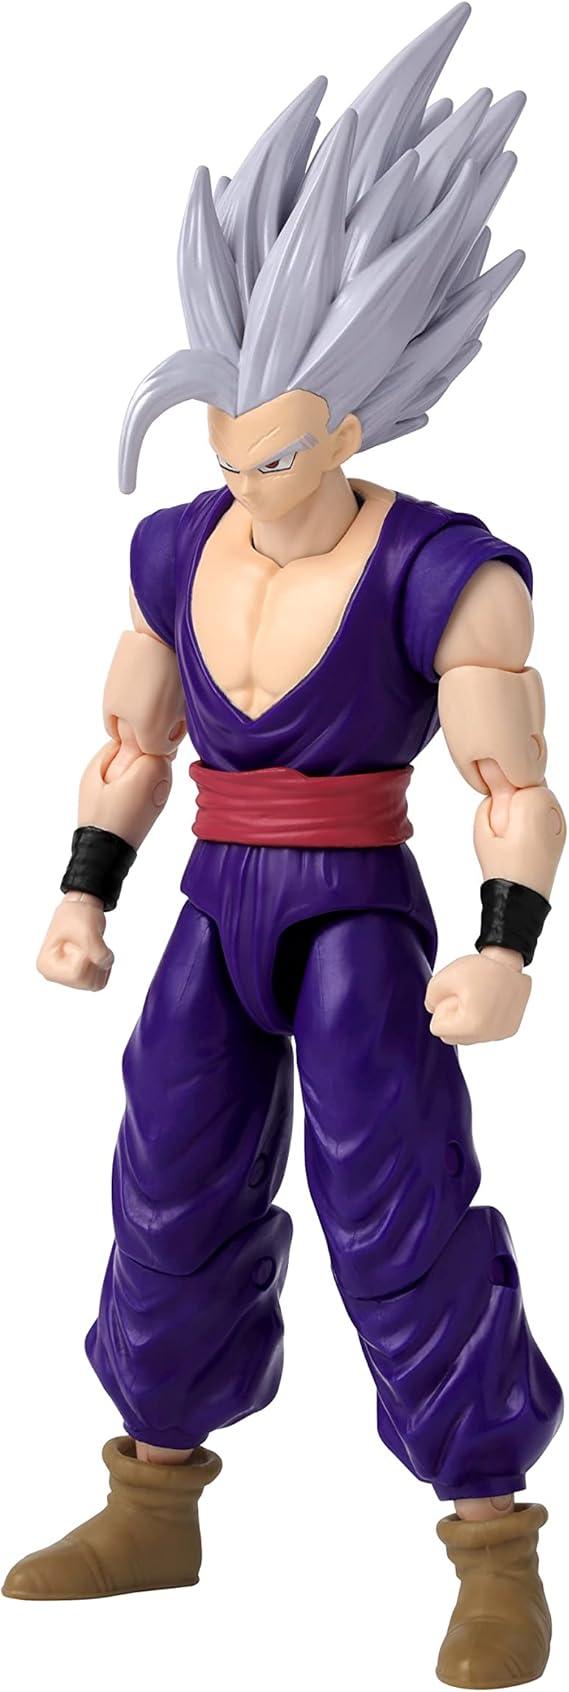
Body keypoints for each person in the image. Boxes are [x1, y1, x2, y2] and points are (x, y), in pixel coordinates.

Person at [3, 7, 565, 1686]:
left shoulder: (445, 571)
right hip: (212, 901)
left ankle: (490, 1537)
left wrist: (503, 946)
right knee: (168, 1184)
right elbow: (131, 745)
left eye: (280, 450)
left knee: (396, 1207)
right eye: (227, 446)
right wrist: (83, 896)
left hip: (354, 913)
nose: (250, 480)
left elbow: (511, 784)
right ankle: (151, 1497)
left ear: (351, 427)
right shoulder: (177, 549)